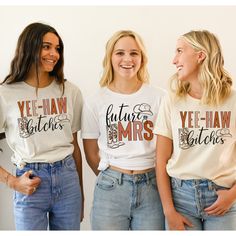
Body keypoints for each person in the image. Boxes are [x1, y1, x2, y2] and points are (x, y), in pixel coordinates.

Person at [0, 22, 84, 230]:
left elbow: (74, 144)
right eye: (46, 46)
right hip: (29, 179)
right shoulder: (5, 93)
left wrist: (80, 192)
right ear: (29, 47)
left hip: (67, 179)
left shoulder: (69, 91)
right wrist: (12, 182)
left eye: (57, 48)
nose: (53, 54)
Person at [81, 30, 165, 230]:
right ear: (110, 57)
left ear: (142, 58)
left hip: (152, 187)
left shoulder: (160, 97)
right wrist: (113, 177)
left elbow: (166, 149)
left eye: (134, 53)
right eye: (120, 53)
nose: (127, 59)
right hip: (110, 189)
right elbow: (91, 153)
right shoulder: (95, 101)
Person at [154, 30, 236, 230]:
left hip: (223, 198)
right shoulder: (171, 100)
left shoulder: (233, 100)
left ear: (200, 55)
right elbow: (161, 159)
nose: (174, 60)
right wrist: (168, 211)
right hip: (181, 198)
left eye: (180, 51)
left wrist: (232, 195)